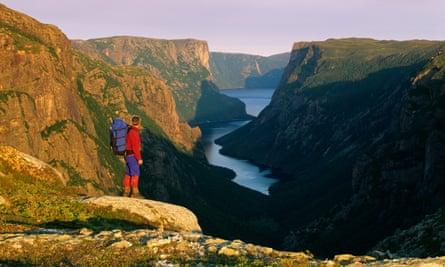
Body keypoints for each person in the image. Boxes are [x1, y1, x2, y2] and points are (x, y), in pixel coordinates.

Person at [123, 116, 143, 198]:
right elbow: (135, 148)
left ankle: (126, 192)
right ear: (139, 123)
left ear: (132, 122)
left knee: (128, 173)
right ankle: (135, 193)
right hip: (132, 156)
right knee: (135, 173)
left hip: (127, 155)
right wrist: (139, 159)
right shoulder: (134, 133)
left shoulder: (128, 130)